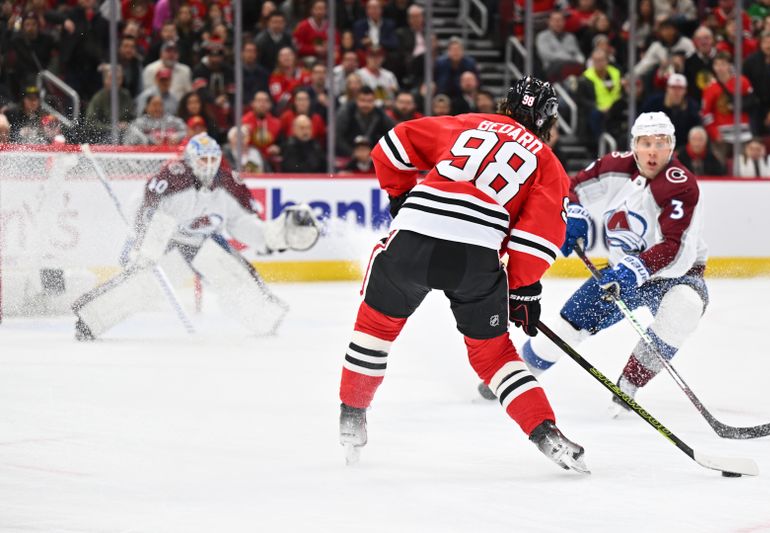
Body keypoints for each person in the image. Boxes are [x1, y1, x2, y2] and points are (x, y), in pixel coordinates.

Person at [337, 76, 589, 474]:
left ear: (506, 107)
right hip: (474, 255)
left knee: (375, 328)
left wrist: (402, 197)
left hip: (413, 238)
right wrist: (522, 291)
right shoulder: (547, 162)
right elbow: (535, 239)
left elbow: (390, 147)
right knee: (493, 355)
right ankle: (545, 432)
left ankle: (351, 416)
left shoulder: (468, 123)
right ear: (547, 120)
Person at [518, 112, 708, 417]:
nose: (653, 151)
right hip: (620, 275)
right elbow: (570, 187)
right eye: (645, 143)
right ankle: (520, 372)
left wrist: (634, 270)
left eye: (661, 143)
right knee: (567, 327)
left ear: (671, 146)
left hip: (675, 277)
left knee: (684, 307)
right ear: (634, 145)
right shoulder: (616, 166)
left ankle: (629, 387)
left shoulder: (679, 185)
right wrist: (574, 215)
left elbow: (674, 247)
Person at [72, 133, 321, 341]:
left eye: (213, 158)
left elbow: (242, 223)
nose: (208, 164)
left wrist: (275, 237)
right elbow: (148, 211)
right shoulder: (172, 177)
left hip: (206, 244)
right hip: (171, 245)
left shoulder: (228, 184)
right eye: (203, 159)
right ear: (191, 159)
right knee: (141, 287)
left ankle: (264, 320)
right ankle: (90, 320)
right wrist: (146, 248)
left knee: (237, 279)